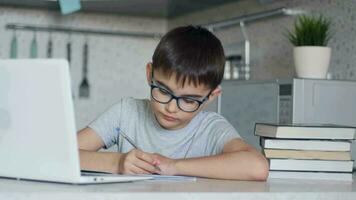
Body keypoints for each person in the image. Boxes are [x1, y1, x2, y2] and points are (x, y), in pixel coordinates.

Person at [77, 25, 269, 181]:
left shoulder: (211, 128)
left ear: (211, 96)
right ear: (149, 74)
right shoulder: (125, 113)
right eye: (162, 90)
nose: (170, 107)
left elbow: (257, 167)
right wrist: (117, 163)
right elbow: (59, 154)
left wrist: (174, 166)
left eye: (188, 100)